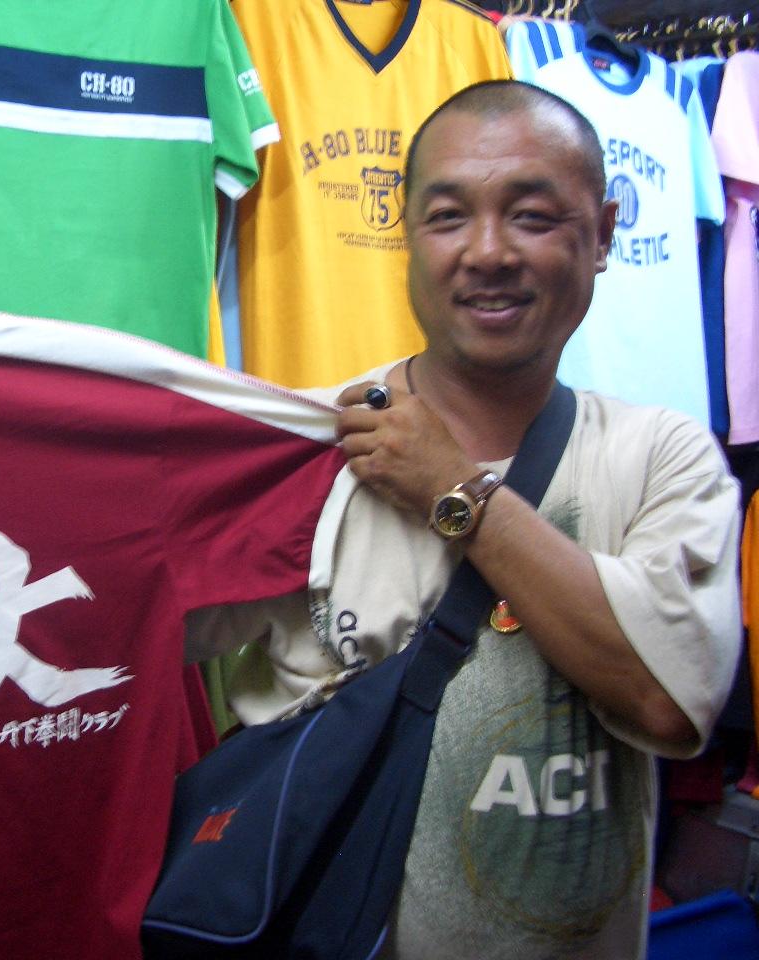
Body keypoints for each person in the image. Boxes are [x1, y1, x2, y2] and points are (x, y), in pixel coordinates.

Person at [188, 79, 741, 958]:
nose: (488, 253)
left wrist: (456, 492)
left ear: (604, 235)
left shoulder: (659, 458)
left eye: (533, 217)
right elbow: (131, 629)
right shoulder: (308, 448)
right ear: (406, 234)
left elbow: (667, 701)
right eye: (448, 218)